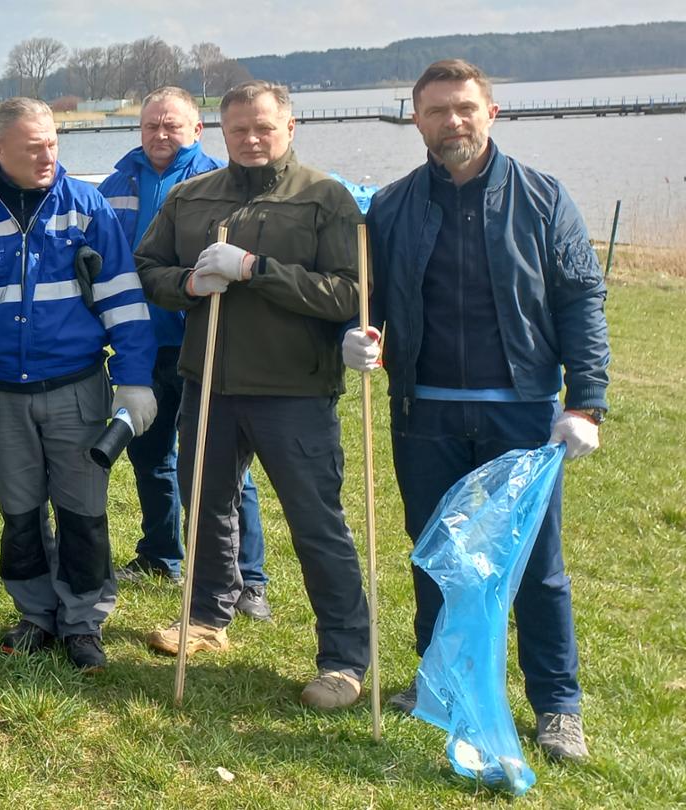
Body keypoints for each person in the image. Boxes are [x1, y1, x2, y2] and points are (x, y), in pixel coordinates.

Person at [349, 59, 607, 760]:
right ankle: (441, 682)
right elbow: (370, 300)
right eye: (436, 111)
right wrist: (362, 335)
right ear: (417, 119)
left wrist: (585, 402)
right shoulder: (393, 207)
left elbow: (582, 299)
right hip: (424, 412)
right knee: (438, 557)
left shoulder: (544, 199)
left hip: (521, 413)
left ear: (491, 112)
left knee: (533, 564)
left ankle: (557, 705)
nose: (452, 122)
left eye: (464, 108)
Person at [136, 80, 370, 709]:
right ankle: (208, 616)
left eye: (263, 127)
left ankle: (344, 657)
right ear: (220, 133)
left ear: (289, 127)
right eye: (238, 129)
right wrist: (188, 282)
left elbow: (349, 294)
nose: (251, 139)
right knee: (206, 505)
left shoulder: (325, 198)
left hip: (294, 389)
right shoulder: (191, 197)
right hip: (208, 381)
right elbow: (147, 267)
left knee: (317, 522)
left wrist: (256, 272)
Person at [0, 99, 155, 673]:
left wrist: (134, 380)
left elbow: (123, 299)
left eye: (52, 143)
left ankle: (82, 622)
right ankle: (34, 615)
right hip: (0, 393)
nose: (47, 155)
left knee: (82, 513)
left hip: (75, 388)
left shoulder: (87, 206)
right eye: (33, 147)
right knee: (20, 512)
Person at [98, 87, 274, 620]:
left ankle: (249, 579)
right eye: (151, 125)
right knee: (149, 458)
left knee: (224, 466)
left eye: (172, 126)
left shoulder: (219, 182)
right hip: (140, 346)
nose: (160, 135)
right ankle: (160, 553)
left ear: (198, 131)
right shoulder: (116, 183)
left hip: (204, 345)